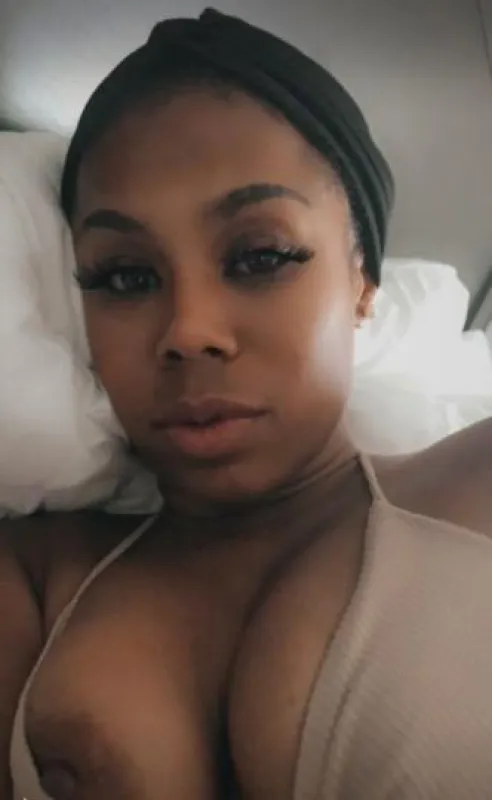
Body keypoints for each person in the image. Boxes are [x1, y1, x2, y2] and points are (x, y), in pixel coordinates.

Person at [1, 8, 491, 800]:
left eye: (261, 256)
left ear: (362, 283)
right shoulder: (34, 582)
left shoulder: (476, 483)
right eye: (126, 276)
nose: (188, 331)